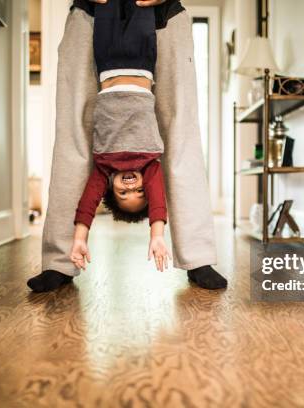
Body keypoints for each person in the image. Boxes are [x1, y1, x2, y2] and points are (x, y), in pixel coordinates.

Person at [27, 0, 227, 292]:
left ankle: (197, 256)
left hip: (165, 15)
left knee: (181, 131)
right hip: (89, 13)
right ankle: (60, 260)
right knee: (73, 132)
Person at [70, 0, 170, 273]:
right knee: (140, 2)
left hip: (108, 61)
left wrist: (80, 238)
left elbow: (88, 204)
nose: (131, 186)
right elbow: (159, 203)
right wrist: (157, 235)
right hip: (141, 60)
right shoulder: (149, 163)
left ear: (111, 188)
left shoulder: (104, 167)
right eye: (139, 191)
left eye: (124, 193)